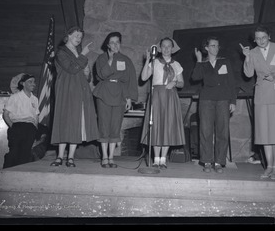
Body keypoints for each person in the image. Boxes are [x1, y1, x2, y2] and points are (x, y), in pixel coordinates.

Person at [240, 24, 275, 180]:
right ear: (254, 40)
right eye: (257, 38)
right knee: (265, 132)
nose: (260, 40)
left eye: (263, 37)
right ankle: (269, 166)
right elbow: (249, 74)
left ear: (269, 36)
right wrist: (247, 57)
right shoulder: (253, 52)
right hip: (262, 95)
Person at [50, 26, 99, 167]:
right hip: (67, 91)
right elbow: (71, 68)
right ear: (69, 36)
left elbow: (85, 76)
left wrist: (87, 72)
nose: (79, 39)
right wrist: (83, 55)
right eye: (76, 36)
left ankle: (70, 157)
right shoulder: (61, 52)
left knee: (77, 122)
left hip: (80, 91)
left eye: (80, 37)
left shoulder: (78, 52)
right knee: (65, 121)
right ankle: (60, 156)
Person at [191, 37, 236, 173]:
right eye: (212, 46)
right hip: (206, 100)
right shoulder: (203, 64)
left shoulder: (225, 62)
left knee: (222, 131)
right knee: (205, 131)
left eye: (217, 46)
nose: (216, 48)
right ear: (206, 48)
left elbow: (232, 83)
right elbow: (195, 77)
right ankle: (207, 162)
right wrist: (198, 60)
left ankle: (219, 162)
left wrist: (233, 101)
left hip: (223, 100)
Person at [93, 32, 138, 168]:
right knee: (104, 126)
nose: (115, 45)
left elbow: (130, 80)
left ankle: (111, 157)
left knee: (115, 127)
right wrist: (111, 60)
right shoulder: (101, 58)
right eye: (112, 43)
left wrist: (129, 98)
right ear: (107, 45)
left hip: (120, 94)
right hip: (104, 94)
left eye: (117, 42)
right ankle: (104, 157)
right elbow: (101, 75)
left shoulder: (126, 60)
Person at [140, 37, 185, 169]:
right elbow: (143, 78)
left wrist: (175, 82)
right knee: (156, 124)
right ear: (159, 48)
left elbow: (182, 83)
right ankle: (156, 158)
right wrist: (148, 60)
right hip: (157, 95)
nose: (166, 49)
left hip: (171, 96)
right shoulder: (155, 62)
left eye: (168, 46)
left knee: (168, 125)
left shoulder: (176, 65)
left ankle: (163, 159)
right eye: (163, 46)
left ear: (172, 48)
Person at [3, 73, 39, 168]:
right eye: (30, 82)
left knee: (26, 154)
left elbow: (36, 116)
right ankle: (6, 175)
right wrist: (13, 127)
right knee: (14, 153)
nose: (33, 84)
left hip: (30, 128)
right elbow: (6, 114)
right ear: (23, 83)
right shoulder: (15, 97)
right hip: (17, 126)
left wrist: (35, 129)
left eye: (34, 82)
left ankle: (20, 177)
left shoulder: (35, 99)